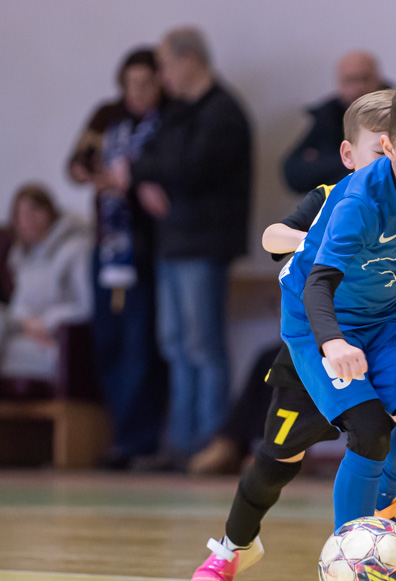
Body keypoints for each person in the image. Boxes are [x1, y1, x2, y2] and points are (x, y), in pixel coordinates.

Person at [190, 84, 396, 581]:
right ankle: (236, 546)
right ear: (372, 152)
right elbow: (295, 259)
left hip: (380, 325)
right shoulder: (348, 201)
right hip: (318, 331)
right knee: (280, 458)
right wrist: (335, 322)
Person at [114, 26, 252, 467]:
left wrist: (145, 174)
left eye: (165, 64)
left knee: (201, 345)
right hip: (173, 243)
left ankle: (209, 444)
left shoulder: (223, 112)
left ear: (189, 59)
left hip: (204, 244)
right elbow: (150, 158)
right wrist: (146, 177)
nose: (162, 75)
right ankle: (180, 443)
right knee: (174, 344)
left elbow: (190, 168)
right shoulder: (176, 114)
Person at [67, 47, 166, 468]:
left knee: (140, 344)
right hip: (108, 244)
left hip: (146, 246)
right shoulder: (107, 116)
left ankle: (141, 441)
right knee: (108, 341)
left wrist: (129, 181)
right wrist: (104, 178)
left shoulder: (166, 119)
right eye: (131, 84)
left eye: (146, 83)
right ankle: (119, 437)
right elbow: (76, 165)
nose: (138, 91)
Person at [1, 185, 92, 381]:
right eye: (20, 215)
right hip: (23, 334)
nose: (27, 220)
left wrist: (45, 322)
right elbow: (20, 306)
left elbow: (87, 307)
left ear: (50, 212)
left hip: (53, 341)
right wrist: (24, 325)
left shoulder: (76, 250)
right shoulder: (22, 257)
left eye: (34, 211)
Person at [282, 51, 390, 194]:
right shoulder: (328, 114)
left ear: (379, 79)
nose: (359, 87)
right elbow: (293, 172)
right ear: (339, 84)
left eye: (365, 78)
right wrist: (351, 163)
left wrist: (322, 161)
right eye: (350, 80)